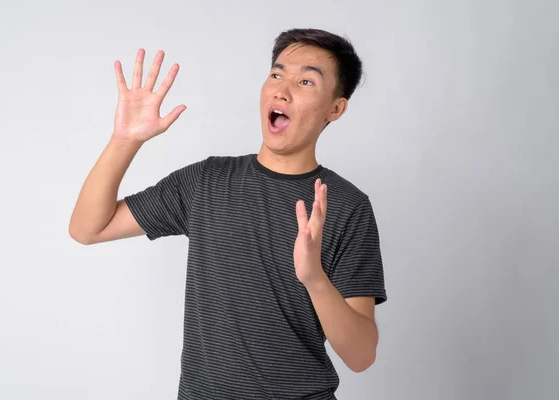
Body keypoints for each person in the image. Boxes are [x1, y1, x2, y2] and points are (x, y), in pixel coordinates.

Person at [69, 28, 387, 400]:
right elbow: (88, 229)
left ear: (336, 108)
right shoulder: (207, 181)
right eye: (277, 74)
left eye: (305, 81)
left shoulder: (347, 206)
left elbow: (362, 355)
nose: (282, 90)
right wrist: (124, 141)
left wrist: (315, 279)